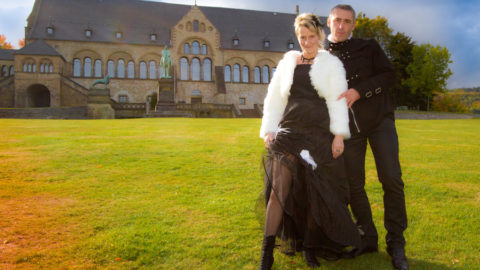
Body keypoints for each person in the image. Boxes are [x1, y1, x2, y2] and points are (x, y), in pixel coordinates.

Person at [258, 13, 361, 270]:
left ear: (320, 36)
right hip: (289, 130)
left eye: (311, 37)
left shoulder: (331, 64)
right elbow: (274, 99)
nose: (306, 42)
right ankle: (266, 253)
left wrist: (339, 135)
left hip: (318, 134)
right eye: (302, 37)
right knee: (279, 189)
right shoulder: (288, 62)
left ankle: (309, 248)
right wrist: (269, 129)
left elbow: (337, 100)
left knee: (314, 193)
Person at [326, 4, 409, 270]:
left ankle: (396, 243)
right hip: (348, 129)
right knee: (353, 185)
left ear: (353, 25)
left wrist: (360, 90)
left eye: (347, 22)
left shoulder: (369, 46)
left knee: (392, 180)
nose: (341, 26)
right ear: (328, 22)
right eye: (337, 20)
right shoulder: (321, 54)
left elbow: (389, 75)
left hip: (379, 121)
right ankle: (367, 238)